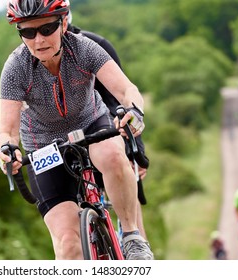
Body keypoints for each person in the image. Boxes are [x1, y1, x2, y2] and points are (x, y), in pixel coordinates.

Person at [0, 0, 153, 260]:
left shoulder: (84, 48)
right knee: (69, 245)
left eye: (47, 29)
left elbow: (126, 90)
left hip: (91, 125)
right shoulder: (15, 68)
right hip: (44, 146)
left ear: (64, 22)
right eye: (28, 32)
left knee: (113, 156)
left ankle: (132, 236)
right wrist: (7, 151)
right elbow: (7, 132)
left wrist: (134, 111)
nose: (39, 40)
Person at [66, 11, 150, 239]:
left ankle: (137, 243)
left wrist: (136, 152)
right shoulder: (34, 58)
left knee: (129, 200)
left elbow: (123, 101)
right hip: (71, 137)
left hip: (107, 126)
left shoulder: (95, 46)